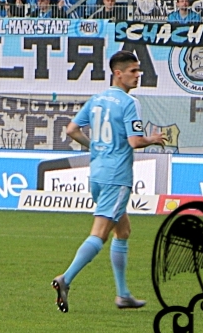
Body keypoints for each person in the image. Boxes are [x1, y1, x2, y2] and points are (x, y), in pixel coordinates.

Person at [52, 51, 165, 313]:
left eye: (138, 71)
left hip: (98, 173)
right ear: (118, 73)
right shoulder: (129, 102)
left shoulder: (96, 99)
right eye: (133, 71)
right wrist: (153, 138)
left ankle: (123, 294)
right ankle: (65, 279)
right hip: (117, 177)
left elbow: (71, 129)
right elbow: (135, 142)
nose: (138, 76)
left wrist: (95, 147)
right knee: (100, 233)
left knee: (122, 230)